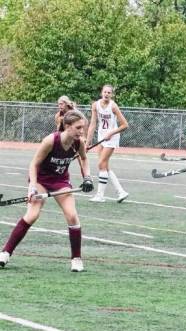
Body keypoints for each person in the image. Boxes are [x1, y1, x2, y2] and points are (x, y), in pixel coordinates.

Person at [0, 111, 94, 271]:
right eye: (78, 128)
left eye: (83, 128)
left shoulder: (78, 143)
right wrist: (32, 187)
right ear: (68, 126)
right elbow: (34, 164)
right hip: (41, 180)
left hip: (60, 181)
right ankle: (5, 253)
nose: (81, 131)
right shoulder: (51, 140)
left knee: (72, 216)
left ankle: (76, 259)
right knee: (32, 215)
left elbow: (84, 159)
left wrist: (88, 178)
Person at [86, 84, 129, 203]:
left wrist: (111, 133)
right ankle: (121, 191)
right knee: (104, 166)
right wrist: (87, 143)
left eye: (109, 93)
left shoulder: (113, 106)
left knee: (101, 164)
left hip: (112, 137)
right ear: (101, 93)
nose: (106, 94)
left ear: (112, 95)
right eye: (105, 92)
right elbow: (93, 124)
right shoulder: (95, 105)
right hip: (101, 136)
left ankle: (100, 196)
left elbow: (125, 125)